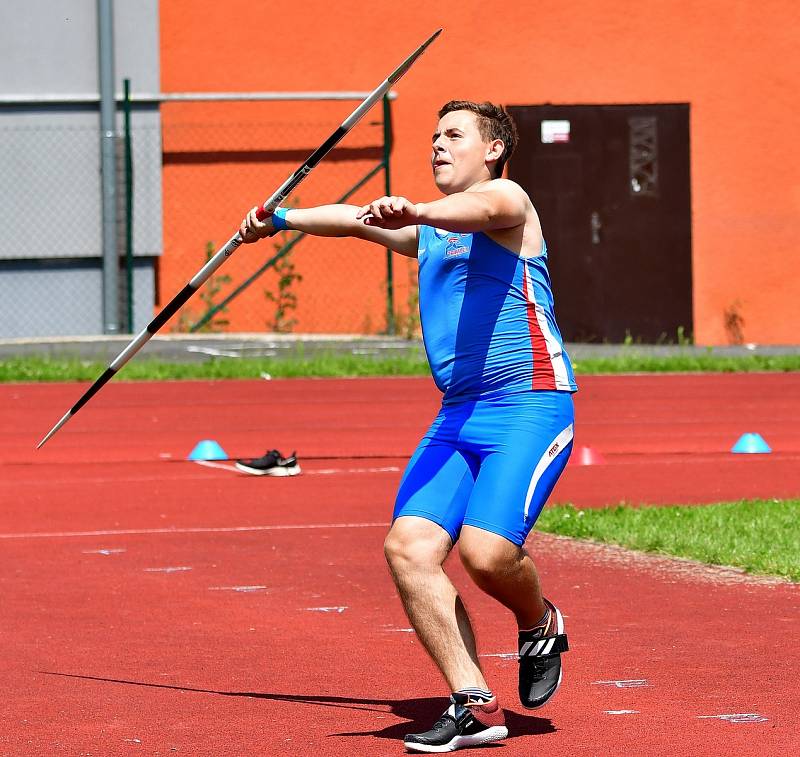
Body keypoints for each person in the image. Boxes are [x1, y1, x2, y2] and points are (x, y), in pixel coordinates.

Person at [240, 100, 577, 753]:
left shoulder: (509, 200)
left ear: (494, 150)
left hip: (530, 404)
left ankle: (539, 620)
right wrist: (279, 218)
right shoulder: (431, 230)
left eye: (455, 135)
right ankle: (474, 703)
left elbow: (478, 211)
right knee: (408, 548)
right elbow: (351, 218)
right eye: (433, 136)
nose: (438, 145)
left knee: (485, 554)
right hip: (458, 415)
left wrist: (417, 210)